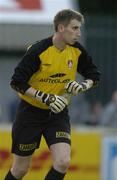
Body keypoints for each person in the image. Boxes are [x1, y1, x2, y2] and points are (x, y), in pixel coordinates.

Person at [5, 9, 101, 180]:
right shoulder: (38, 50)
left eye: (80, 28)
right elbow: (16, 82)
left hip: (58, 113)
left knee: (63, 162)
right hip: (30, 113)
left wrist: (81, 86)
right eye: (75, 28)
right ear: (61, 28)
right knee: (20, 170)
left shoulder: (76, 50)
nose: (79, 33)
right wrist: (45, 97)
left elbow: (94, 75)